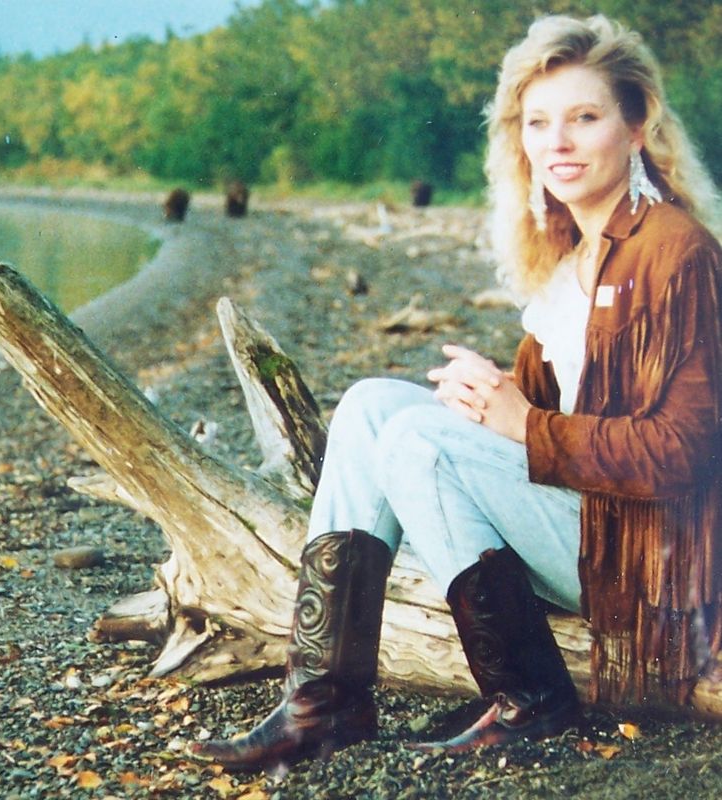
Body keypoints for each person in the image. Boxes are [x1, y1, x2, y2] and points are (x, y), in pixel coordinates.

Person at [193, 13, 722, 773]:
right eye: (539, 123)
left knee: (418, 442)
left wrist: (523, 423)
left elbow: (687, 453)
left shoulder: (676, 250)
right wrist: (501, 399)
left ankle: (531, 700)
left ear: (636, 128)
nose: (559, 142)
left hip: (652, 563)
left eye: (585, 118)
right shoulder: (572, 256)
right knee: (374, 404)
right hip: (588, 524)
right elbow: (559, 411)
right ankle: (324, 699)